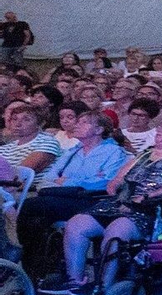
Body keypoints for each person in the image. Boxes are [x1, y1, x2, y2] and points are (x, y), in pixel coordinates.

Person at [44, 119, 162, 295]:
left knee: (118, 229)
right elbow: (120, 177)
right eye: (160, 127)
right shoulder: (145, 155)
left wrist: (147, 197)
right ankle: (75, 282)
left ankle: (103, 285)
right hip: (124, 204)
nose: (159, 130)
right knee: (76, 224)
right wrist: (114, 184)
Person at [16, 112, 129, 271]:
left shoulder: (114, 152)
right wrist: (74, 181)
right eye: (78, 121)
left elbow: (105, 182)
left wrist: (67, 181)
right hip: (63, 196)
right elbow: (50, 176)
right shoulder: (73, 151)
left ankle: (31, 260)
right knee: (34, 214)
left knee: (32, 206)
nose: (77, 125)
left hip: (92, 200)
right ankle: (39, 263)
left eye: (84, 122)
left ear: (99, 130)